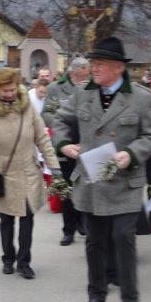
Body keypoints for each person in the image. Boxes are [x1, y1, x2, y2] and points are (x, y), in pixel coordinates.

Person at [52, 37, 151, 302]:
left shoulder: (141, 97)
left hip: (125, 181)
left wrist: (131, 153)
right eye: (93, 64)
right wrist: (64, 144)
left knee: (124, 238)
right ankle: (96, 295)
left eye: (100, 64)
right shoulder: (82, 93)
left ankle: (130, 300)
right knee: (95, 241)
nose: (94, 69)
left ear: (118, 68)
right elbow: (59, 119)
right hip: (92, 180)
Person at [0, 68, 61, 279]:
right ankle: (8, 258)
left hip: (29, 172)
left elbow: (42, 139)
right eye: (5, 91)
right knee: (7, 219)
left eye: (12, 90)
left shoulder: (27, 108)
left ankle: (24, 261)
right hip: (3, 175)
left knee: (28, 218)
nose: (10, 94)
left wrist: (54, 166)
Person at [42, 58, 90, 245]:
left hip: (86, 143)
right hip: (65, 144)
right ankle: (68, 230)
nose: (85, 78)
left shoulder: (92, 86)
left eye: (87, 74)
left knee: (86, 186)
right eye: (82, 74)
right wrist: (61, 121)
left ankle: (82, 222)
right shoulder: (55, 88)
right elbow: (46, 114)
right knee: (68, 188)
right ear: (73, 72)